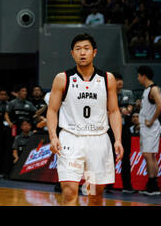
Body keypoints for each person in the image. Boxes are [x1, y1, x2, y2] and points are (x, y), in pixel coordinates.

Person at [46, 33, 123, 206]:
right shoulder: (62, 78)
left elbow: (113, 111)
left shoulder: (107, 79)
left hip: (98, 141)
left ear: (94, 52)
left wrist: (117, 139)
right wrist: (53, 136)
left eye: (86, 49)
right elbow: (52, 110)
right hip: (71, 140)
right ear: (72, 53)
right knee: (69, 191)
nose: (82, 53)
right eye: (78, 49)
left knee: (94, 195)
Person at [136, 65, 161, 196]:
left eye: (138, 75)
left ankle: (153, 185)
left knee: (149, 155)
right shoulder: (147, 90)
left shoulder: (154, 89)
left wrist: (151, 120)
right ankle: (152, 184)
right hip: (145, 128)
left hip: (150, 128)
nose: (138, 78)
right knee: (148, 156)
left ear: (143, 76)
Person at [113, 72, 136, 193]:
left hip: (125, 129)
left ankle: (127, 186)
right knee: (110, 157)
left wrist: (124, 109)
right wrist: (121, 109)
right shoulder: (108, 94)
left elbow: (129, 110)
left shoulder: (128, 93)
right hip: (111, 130)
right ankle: (108, 185)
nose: (120, 82)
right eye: (117, 79)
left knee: (126, 157)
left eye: (121, 79)